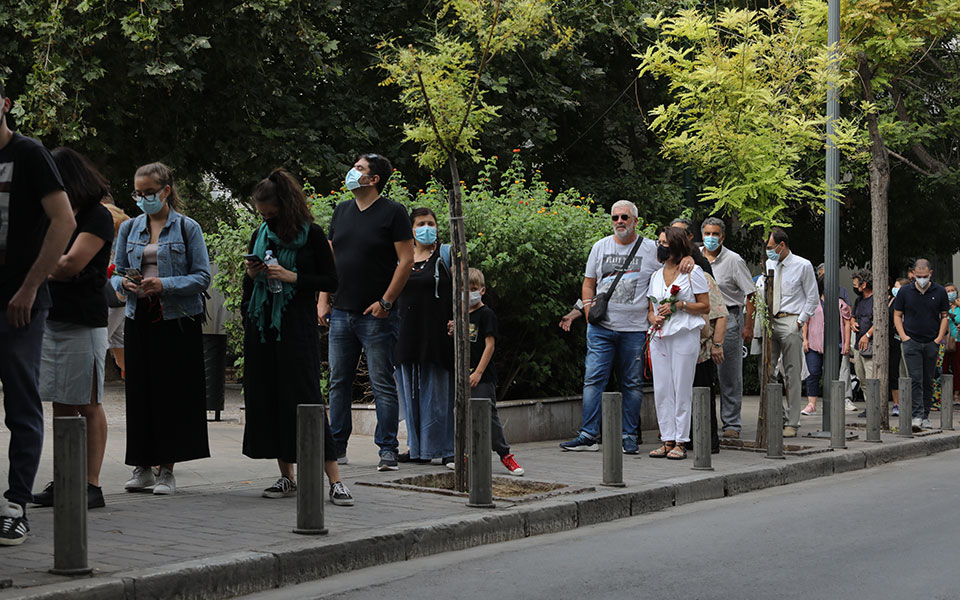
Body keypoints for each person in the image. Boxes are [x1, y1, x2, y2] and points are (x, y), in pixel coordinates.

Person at [240, 169, 352, 505]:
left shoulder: (311, 235)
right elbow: (249, 288)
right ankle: (286, 476)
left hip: (296, 328)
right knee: (272, 398)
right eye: (262, 215)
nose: (267, 221)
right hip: (263, 330)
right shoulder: (260, 234)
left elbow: (330, 281)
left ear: (285, 208)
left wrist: (292, 276)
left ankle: (335, 479)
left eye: (271, 214)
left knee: (306, 398)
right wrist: (251, 274)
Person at [0, 80, 76, 545]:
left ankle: (16, 504)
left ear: (5, 104)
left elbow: (64, 220)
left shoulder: (28, 154)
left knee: (21, 402)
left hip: (20, 304)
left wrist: (30, 286)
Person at [560, 201, 693, 453]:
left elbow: (674, 259)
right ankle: (588, 435)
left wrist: (688, 258)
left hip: (635, 330)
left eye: (624, 217)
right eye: (615, 218)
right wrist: (587, 312)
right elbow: (589, 284)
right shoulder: (600, 247)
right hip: (601, 328)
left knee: (631, 383)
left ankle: (628, 436)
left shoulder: (651, 249)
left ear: (635, 221)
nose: (619, 221)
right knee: (593, 380)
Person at [112, 162, 211, 495]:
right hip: (138, 317)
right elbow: (114, 272)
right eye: (138, 194)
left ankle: (166, 469)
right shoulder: (129, 228)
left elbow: (202, 277)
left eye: (149, 193)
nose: (143, 199)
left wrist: (164, 284)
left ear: (166, 190)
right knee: (139, 392)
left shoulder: (187, 228)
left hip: (177, 320)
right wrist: (124, 283)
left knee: (173, 394)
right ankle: (142, 467)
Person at [318, 154, 414, 471]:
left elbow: (406, 260)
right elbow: (329, 258)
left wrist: (386, 302)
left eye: (359, 168)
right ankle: (337, 447)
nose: (351, 172)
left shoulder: (393, 212)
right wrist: (323, 298)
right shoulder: (342, 210)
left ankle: (387, 449)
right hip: (341, 312)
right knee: (338, 382)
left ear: (374, 179)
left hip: (377, 315)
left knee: (382, 382)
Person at [31, 148, 114, 511]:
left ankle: (92, 485)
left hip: (84, 320)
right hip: (51, 316)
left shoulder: (97, 216)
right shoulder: (51, 215)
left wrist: (33, 270)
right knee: (61, 401)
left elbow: (70, 264)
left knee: (89, 402)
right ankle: (66, 477)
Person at [394, 207, 454, 465]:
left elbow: (463, 290)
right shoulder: (400, 259)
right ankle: (417, 449)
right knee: (410, 395)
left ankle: (445, 448)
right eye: (421, 223)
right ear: (411, 229)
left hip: (438, 335)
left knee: (438, 395)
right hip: (407, 334)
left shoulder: (446, 255)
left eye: (431, 223)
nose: (427, 227)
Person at [646, 227, 710, 459]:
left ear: (675, 246)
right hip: (660, 336)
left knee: (681, 387)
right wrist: (653, 317)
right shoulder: (655, 275)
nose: (660, 247)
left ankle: (681, 441)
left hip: (684, 333)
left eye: (664, 243)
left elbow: (705, 306)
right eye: (659, 242)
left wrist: (680, 306)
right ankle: (667, 438)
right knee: (662, 388)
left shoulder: (693, 272)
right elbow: (649, 310)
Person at [760, 227, 819, 437]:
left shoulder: (802, 265)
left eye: (770, 247)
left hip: (791, 319)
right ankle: (777, 417)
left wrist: (800, 322)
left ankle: (792, 422)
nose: (768, 251)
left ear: (781, 245)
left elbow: (812, 297)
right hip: (771, 319)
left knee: (793, 374)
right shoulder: (769, 264)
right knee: (768, 371)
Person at [700, 217, 756, 439]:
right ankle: (702, 421)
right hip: (702, 320)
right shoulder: (695, 257)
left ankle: (732, 423)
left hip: (729, 318)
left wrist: (748, 326)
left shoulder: (734, 261)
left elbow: (750, 293)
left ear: (722, 237)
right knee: (701, 373)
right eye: (707, 233)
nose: (711, 238)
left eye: (715, 234)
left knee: (729, 374)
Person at [893, 259, 950, 431]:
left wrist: (939, 338)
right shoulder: (905, 292)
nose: (921, 279)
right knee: (915, 379)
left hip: (932, 341)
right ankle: (917, 415)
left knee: (929, 380)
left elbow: (945, 316)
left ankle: (924, 415)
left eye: (924, 276)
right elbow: (897, 315)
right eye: (918, 276)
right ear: (913, 274)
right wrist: (904, 336)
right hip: (912, 342)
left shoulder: (939, 291)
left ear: (930, 273)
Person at [801, 275, 852, 416]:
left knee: (833, 375)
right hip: (814, 343)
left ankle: (832, 404)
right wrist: (804, 339)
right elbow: (805, 321)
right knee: (813, 373)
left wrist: (847, 343)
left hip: (835, 344)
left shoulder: (841, 303)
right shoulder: (813, 302)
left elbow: (847, 322)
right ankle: (811, 404)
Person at [103, 201, 130, 378]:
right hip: (120, 298)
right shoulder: (122, 236)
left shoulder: (110, 239)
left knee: (98, 343)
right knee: (120, 349)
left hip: (110, 298)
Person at [850, 269, 875, 411]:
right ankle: (868, 407)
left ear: (863, 284)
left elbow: (879, 321)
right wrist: (853, 323)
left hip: (870, 345)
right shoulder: (859, 300)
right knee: (861, 377)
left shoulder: (876, 299)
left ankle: (873, 408)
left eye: (856, 284)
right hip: (859, 345)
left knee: (871, 377)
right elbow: (853, 316)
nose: (855, 287)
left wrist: (868, 335)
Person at [888, 278, 910, 417]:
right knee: (894, 372)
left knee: (905, 372)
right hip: (892, 342)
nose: (894, 289)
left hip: (905, 340)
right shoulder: (891, 301)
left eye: (898, 287)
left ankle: (907, 402)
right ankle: (896, 403)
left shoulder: (908, 302)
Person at [944, 283, 960, 406]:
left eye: (952, 291)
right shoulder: (943, 307)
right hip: (945, 341)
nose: (950, 293)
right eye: (948, 291)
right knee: (943, 367)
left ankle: (956, 393)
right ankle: (944, 393)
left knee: (957, 367)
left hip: (958, 340)